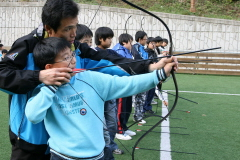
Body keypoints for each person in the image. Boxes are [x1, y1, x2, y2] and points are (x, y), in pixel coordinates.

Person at [0, 0, 178, 160]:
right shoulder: (27, 45)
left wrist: (150, 66)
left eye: (75, 26)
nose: (74, 34)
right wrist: (40, 76)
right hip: (31, 138)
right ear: (49, 28)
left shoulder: (74, 46)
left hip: (63, 143)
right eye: (68, 29)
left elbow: (108, 60)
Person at [25, 37, 175, 160]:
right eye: (66, 58)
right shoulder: (43, 91)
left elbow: (127, 84)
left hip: (98, 155)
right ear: (49, 68)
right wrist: (52, 86)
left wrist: (160, 74)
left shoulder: (89, 77)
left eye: (72, 55)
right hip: (62, 157)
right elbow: (33, 116)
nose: (73, 60)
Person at [94, 26, 123, 157]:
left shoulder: (111, 53)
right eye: (109, 38)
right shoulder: (92, 53)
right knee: (101, 126)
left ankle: (110, 146)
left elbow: (124, 62)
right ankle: (103, 149)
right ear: (100, 39)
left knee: (112, 123)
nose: (111, 41)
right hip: (98, 95)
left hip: (110, 94)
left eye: (111, 38)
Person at [112, 33, 137, 140]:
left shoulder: (127, 51)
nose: (131, 45)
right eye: (130, 42)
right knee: (120, 108)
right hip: (121, 83)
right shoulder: (118, 51)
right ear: (124, 42)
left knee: (127, 106)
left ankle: (124, 126)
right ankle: (119, 130)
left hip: (128, 82)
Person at [132, 31, 149, 124]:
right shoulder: (136, 48)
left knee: (142, 97)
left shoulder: (143, 48)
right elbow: (139, 60)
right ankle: (137, 116)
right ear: (140, 39)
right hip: (139, 75)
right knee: (139, 97)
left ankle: (139, 115)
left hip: (144, 75)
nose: (146, 41)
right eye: (145, 39)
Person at [143, 37, 159, 114]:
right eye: (152, 43)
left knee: (151, 92)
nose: (154, 45)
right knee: (145, 93)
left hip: (153, 75)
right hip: (146, 75)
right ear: (147, 44)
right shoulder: (145, 52)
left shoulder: (154, 52)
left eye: (154, 43)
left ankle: (148, 107)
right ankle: (142, 109)